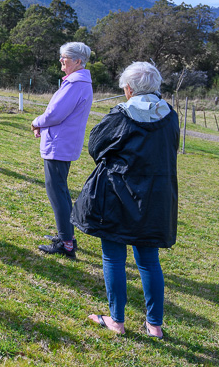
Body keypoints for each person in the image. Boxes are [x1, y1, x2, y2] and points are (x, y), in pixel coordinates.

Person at [74, 62, 178, 339]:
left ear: (129, 88)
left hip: (119, 193)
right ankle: (154, 325)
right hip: (156, 196)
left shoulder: (122, 114)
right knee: (148, 260)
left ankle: (117, 321)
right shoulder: (170, 115)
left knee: (114, 256)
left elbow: (96, 146)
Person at [30, 42, 93, 258]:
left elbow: (55, 114)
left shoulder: (75, 84)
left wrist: (37, 121)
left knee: (57, 193)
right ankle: (66, 235)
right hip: (63, 143)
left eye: (64, 57)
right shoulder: (79, 82)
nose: (60, 60)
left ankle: (66, 243)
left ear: (77, 61)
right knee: (62, 191)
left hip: (59, 145)